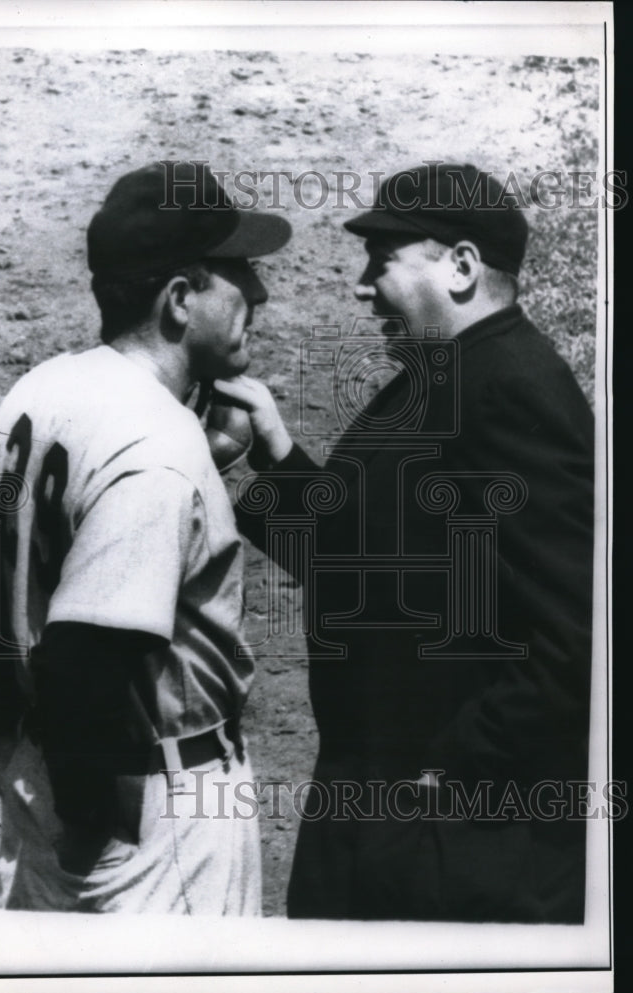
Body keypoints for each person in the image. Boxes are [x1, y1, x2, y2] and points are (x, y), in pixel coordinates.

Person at [218, 163, 595, 922]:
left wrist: (456, 767)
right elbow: (370, 569)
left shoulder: (512, 387)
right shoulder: (440, 378)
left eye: (382, 259)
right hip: (383, 817)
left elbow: (582, 631)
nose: (362, 285)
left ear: (459, 266)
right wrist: (279, 456)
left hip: (459, 844)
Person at [0, 160, 291, 914]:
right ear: (179, 299)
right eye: (237, 273)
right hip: (146, 819)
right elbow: (84, 663)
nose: (261, 293)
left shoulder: (46, 386)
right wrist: (94, 830)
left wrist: (8, 738)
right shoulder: (157, 452)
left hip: (45, 781)